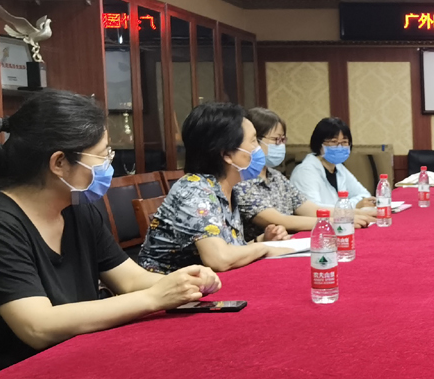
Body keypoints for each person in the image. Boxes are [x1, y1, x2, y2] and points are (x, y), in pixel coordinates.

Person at [0, 89, 218, 379]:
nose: (109, 165)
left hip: (61, 366)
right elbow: (38, 326)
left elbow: (131, 280)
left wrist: (185, 281)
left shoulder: (77, 209)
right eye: (102, 156)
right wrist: (155, 298)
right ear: (59, 162)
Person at [137, 102, 293, 273]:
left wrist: (261, 240)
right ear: (226, 154)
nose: (260, 149)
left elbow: (228, 249)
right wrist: (264, 248)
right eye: (254, 141)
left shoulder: (226, 188)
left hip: (208, 282)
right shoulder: (194, 191)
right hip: (170, 286)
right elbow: (219, 259)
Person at [236, 107, 373, 240]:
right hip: (262, 250)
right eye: (276, 140)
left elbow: (311, 210)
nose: (280, 145)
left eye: (283, 140)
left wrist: (358, 213)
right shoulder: (242, 180)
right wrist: (336, 221)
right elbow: (279, 220)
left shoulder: (276, 177)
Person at [290, 117, 375, 210]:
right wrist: (353, 205)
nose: (340, 147)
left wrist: (350, 205)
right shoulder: (304, 172)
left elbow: (364, 195)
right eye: (334, 142)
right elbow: (312, 209)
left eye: (344, 142)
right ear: (319, 144)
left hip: (341, 218)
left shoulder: (338, 167)